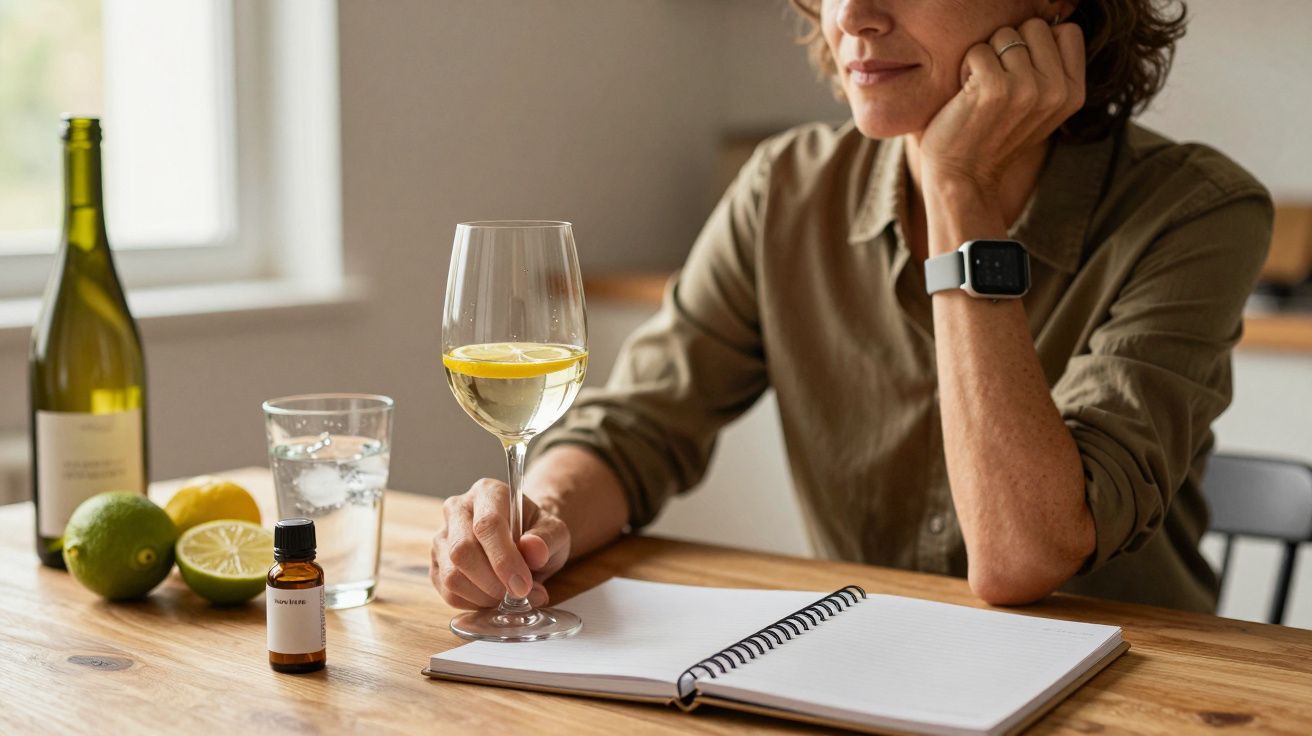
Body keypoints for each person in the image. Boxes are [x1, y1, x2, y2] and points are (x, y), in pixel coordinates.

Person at [431, 0, 1272, 613]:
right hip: (874, 671)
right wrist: (536, 518)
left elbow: (1022, 559)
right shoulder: (785, 189)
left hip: (1132, 693)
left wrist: (957, 188)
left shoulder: (1196, 211)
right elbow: (637, 430)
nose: (854, 14)